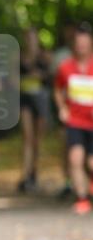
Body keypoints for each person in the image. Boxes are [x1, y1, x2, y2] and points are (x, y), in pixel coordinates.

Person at [54, 21, 93, 215]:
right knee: (75, 159)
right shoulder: (65, 67)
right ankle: (82, 198)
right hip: (75, 122)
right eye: (79, 44)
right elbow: (58, 89)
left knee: (91, 163)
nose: (82, 47)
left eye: (85, 44)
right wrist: (62, 108)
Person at [18, 27, 52, 193]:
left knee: (37, 140)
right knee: (28, 138)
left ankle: (34, 174)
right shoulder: (20, 56)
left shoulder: (45, 56)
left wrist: (41, 75)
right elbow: (11, 79)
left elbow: (52, 77)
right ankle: (26, 175)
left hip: (41, 100)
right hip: (25, 100)